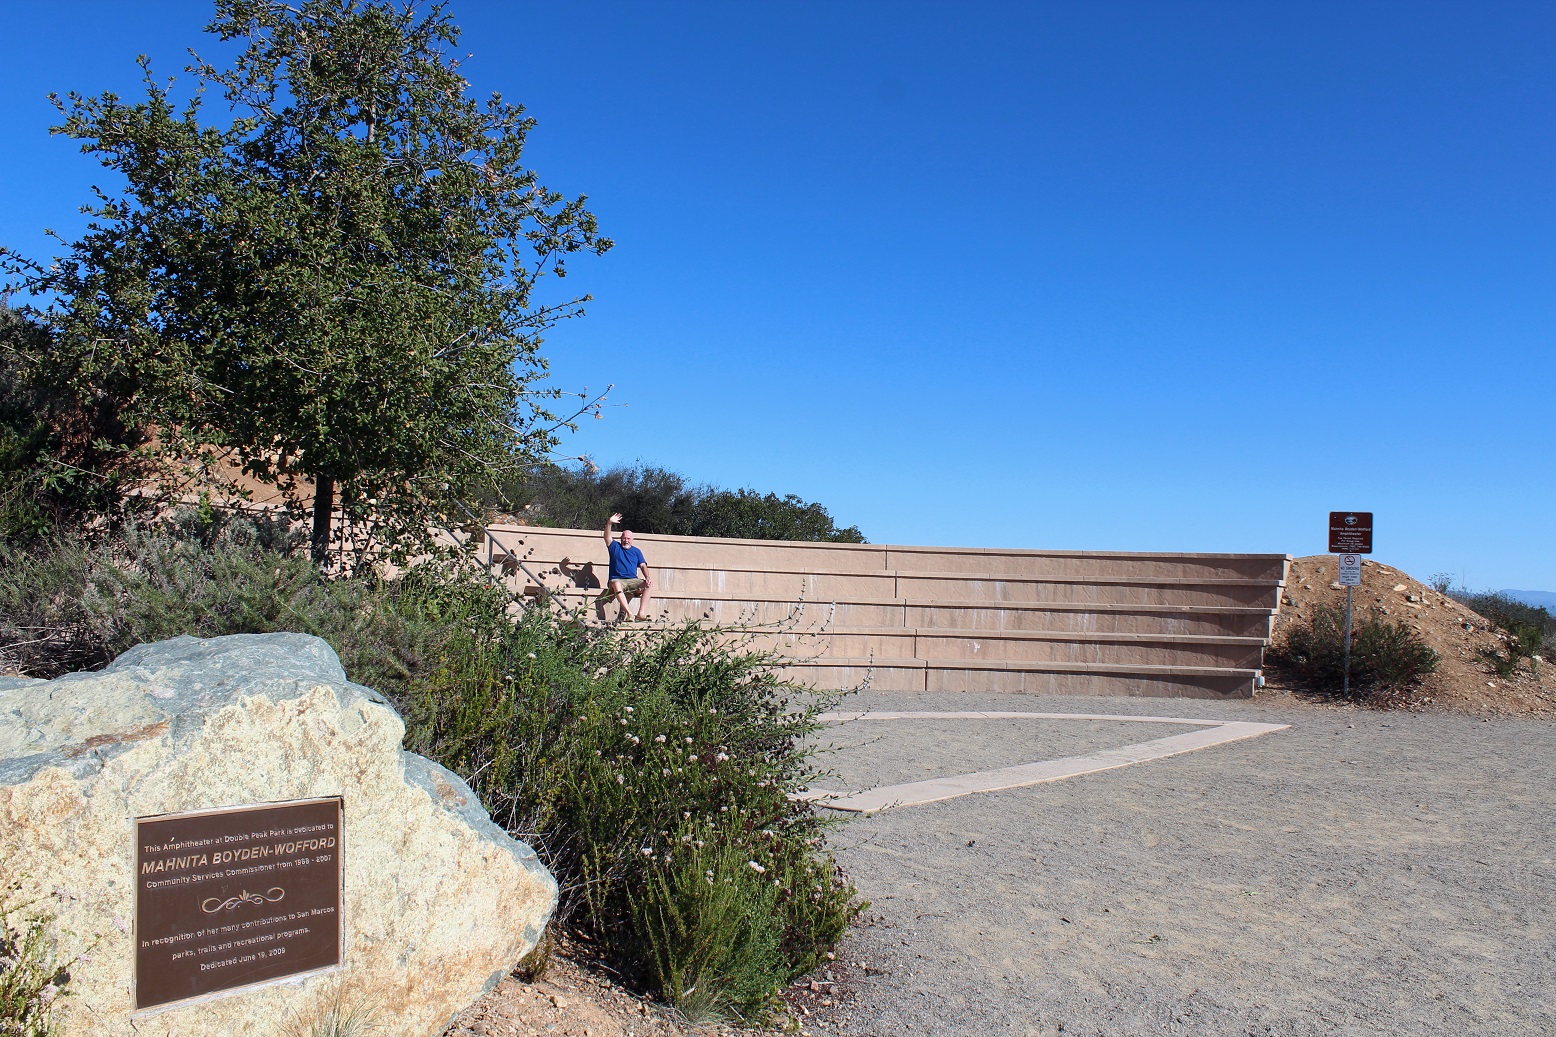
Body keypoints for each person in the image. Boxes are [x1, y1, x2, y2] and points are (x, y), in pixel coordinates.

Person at [598, 512, 653, 622]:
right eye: (624, 538)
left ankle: (640, 613)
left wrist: (647, 577)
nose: (626, 540)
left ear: (632, 540)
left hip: (632, 581)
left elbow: (643, 565)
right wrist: (609, 523)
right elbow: (607, 536)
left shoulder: (636, 551)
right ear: (621, 538)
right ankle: (630, 614)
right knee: (616, 584)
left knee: (649, 585)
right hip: (616, 580)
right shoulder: (614, 547)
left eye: (628, 538)